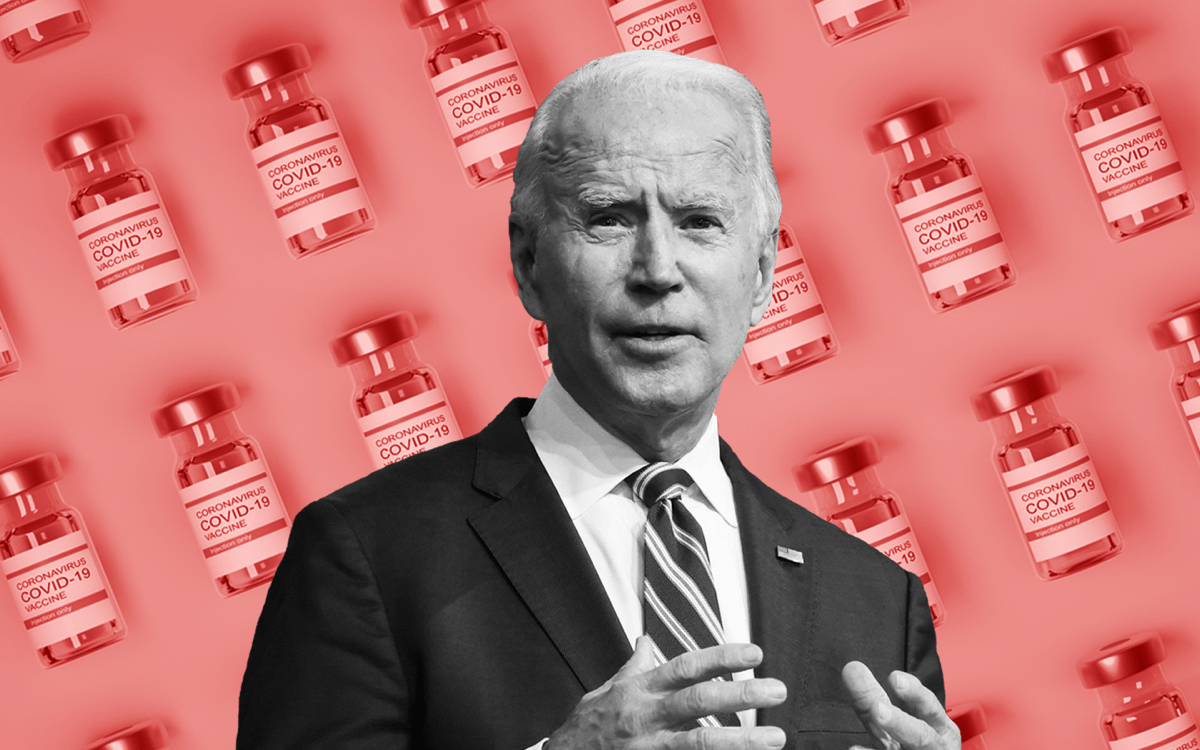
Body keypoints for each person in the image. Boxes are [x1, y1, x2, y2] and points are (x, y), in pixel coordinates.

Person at [237, 50, 961, 750]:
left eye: (699, 221)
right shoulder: (366, 553)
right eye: (610, 217)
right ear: (529, 263)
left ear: (765, 272)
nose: (657, 270)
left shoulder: (874, 600)